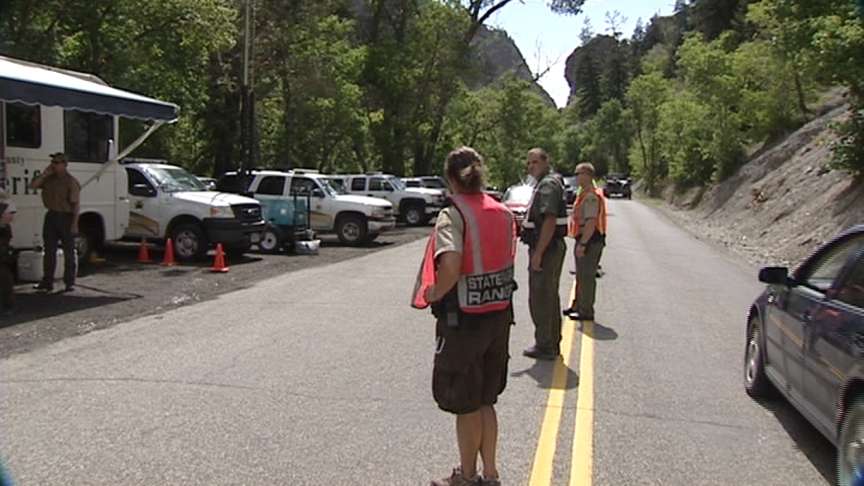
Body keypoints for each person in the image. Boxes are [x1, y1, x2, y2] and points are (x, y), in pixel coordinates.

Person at [412, 147, 517, 486]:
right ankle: (491, 473)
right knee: (487, 399)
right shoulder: (503, 212)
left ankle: (467, 476)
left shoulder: (453, 214)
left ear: (450, 179)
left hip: (464, 321)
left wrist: (434, 292)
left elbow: (452, 264)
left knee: (466, 404)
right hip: (499, 316)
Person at [521, 148, 568, 361]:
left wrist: (538, 253)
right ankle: (550, 342)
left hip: (547, 249)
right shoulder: (546, 183)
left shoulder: (548, 184)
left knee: (541, 297)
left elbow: (549, 220)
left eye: (535, 162)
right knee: (548, 296)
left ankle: (545, 345)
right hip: (548, 247)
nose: (531, 166)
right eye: (529, 163)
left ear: (546, 161)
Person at [30, 152, 80, 293]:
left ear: (65, 164)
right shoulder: (48, 179)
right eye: (53, 162)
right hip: (51, 215)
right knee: (49, 250)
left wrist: (75, 223)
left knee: (69, 251)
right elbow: (33, 186)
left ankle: (69, 282)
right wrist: (44, 174)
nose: (54, 165)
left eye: (57, 162)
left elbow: (75, 205)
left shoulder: (71, 181)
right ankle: (47, 281)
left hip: (66, 217)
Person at [563, 163, 607, 321]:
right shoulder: (584, 193)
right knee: (580, 276)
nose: (576, 177)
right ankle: (577, 305)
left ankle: (586, 311)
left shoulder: (590, 196)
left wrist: (583, 244)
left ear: (588, 175)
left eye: (579, 173)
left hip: (590, 240)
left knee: (586, 277)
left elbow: (590, 222)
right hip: (585, 239)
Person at [0, 191, 17, 315]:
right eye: (9, 214)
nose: (12, 217)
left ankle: (7, 307)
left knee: (6, 278)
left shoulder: (6, 228)